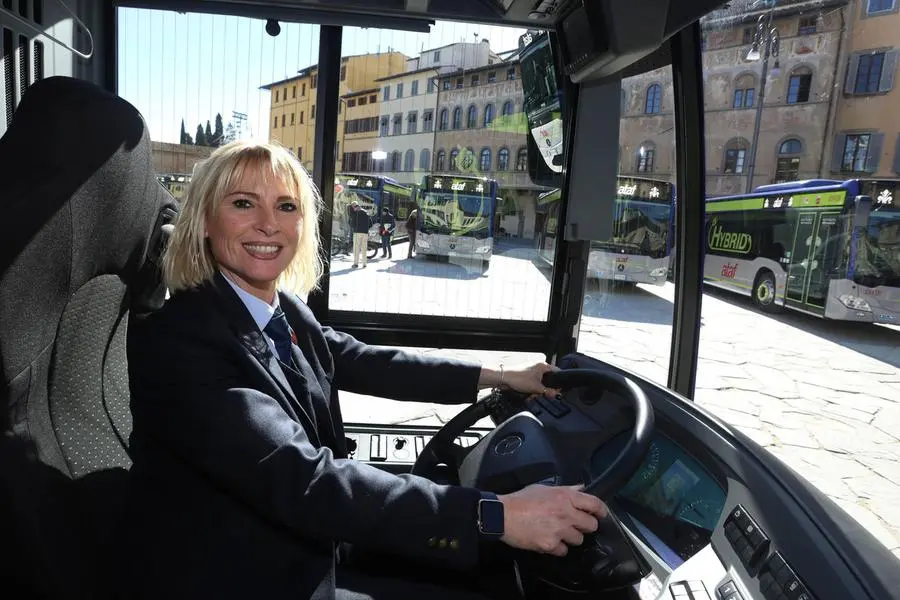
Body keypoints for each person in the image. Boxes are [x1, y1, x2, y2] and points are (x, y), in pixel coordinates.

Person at [119, 140, 607, 600]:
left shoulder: (277, 309)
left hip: (307, 541)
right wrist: (496, 515)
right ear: (204, 220)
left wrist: (501, 376)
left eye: (286, 207)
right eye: (243, 204)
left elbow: (364, 360)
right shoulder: (181, 339)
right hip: (249, 575)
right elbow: (304, 479)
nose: (269, 224)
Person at [349, 199, 371, 268]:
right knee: (364, 248)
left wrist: (354, 227)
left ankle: (356, 263)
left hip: (357, 233)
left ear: (355, 207)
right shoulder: (366, 213)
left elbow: (352, 224)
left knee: (356, 249)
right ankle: (364, 264)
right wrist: (365, 228)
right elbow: (370, 224)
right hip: (365, 233)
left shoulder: (355, 214)